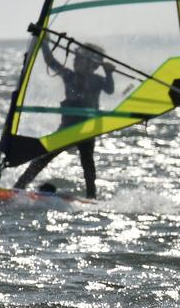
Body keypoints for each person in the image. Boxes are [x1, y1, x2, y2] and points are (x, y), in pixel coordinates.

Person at [11, 39, 115, 197]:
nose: (74, 61)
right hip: (68, 128)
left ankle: (91, 196)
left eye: (78, 59)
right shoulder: (69, 75)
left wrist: (108, 72)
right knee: (43, 158)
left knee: (88, 164)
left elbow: (110, 90)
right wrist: (44, 42)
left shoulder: (98, 80)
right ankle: (19, 187)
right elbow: (50, 61)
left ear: (92, 65)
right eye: (75, 58)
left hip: (87, 130)